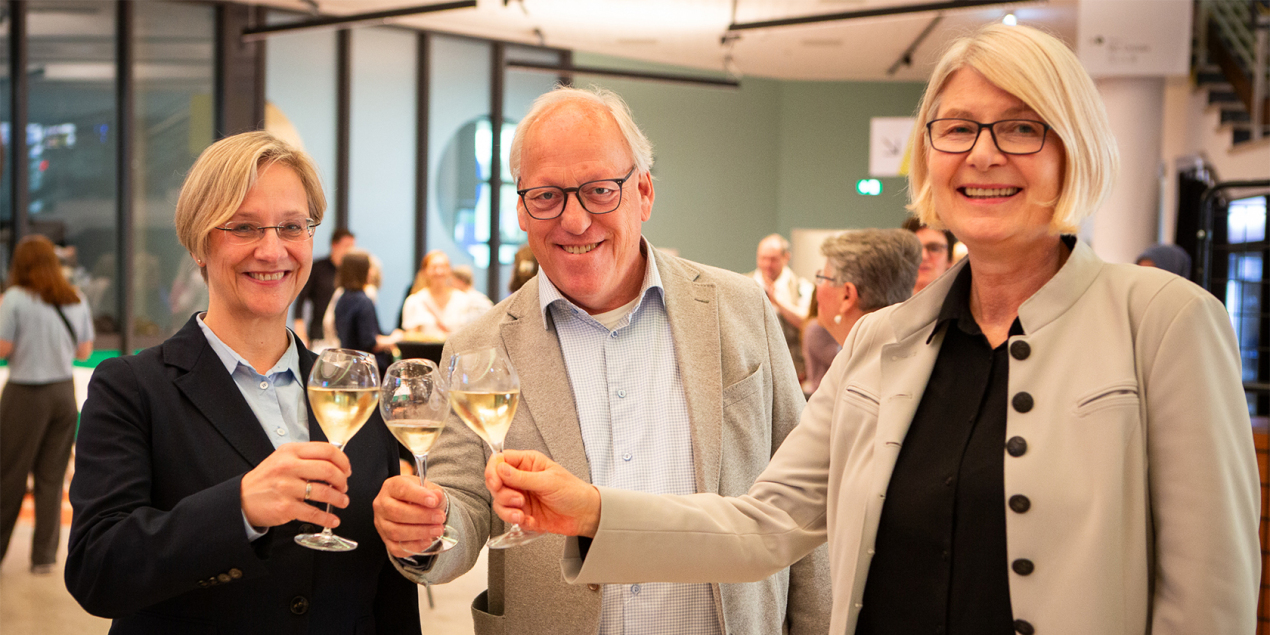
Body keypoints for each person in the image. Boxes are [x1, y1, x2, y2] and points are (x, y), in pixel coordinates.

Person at [483, 24, 1261, 635]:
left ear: (1073, 147)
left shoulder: (1165, 325)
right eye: (955, 128)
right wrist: (591, 510)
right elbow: (765, 522)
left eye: (1021, 127)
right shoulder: (882, 342)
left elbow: (1209, 600)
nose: (983, 154)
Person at [373, 86, 831, 635]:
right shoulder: (477, 346)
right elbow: (464, 508)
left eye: (598, 190)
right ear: (520, 208)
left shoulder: (741, 309)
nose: (573, 220)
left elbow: (802, 511)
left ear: (643, 192)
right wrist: (425, 531)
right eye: (546, 195)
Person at [65, 131, 419, 632]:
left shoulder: (354, 389)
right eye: (245, 227)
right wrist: (240, 508)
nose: (273, 251)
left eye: (292, 227)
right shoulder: (132, 389)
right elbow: (97, 570)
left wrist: (416, 542)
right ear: (199, 243)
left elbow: (388, 594)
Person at [0, 234, 94, 575]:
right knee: (51, 478)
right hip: (63, 395)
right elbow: (83, 352)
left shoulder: (14, 298)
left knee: (9, 476)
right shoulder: (75, 297)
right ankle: (44, 558)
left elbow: (3, 348)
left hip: (25, 394)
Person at [803, 229, 922, 396]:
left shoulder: (859, 384)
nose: (818, 288)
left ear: (847, 295)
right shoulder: (906, 363)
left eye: (823, 277)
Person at [751, 233, 813, 378]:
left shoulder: (801, 287)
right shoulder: (742, 283)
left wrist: (779, 302)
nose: (767, 265)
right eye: (763, 258)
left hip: (792, 371)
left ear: (786, 258)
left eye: (773, 259)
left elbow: (807, 322)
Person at [334, 251, 399, 371]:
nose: (371, 272)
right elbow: (369, 342)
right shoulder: (363, 301)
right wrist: (394, 338)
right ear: (360, 271)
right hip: (367, 369)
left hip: (349, 366)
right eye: (369, 268)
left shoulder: (342, 299)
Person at [292, 227, 355, 347]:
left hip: (343, 338)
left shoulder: (350, 274)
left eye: (352, 246)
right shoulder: (318, 268)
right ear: (334, 245)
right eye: (346, 246)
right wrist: (301, 334)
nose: (350, 251)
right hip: (319, 335)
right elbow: (300, 302)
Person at [401, 251, 483, 340]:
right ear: (425, 271)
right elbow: (411, 337)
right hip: (425, 353)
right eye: (434, 267)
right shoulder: (414, 301)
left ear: (449, 270)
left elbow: (471, 335)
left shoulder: (464, 300)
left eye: (443, 267)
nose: (439, 272)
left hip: (455, 353)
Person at [902, 216, 958, 293]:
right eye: (914, 248)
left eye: (934, 248)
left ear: (950, 260)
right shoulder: (886, 303)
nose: (923, 256)